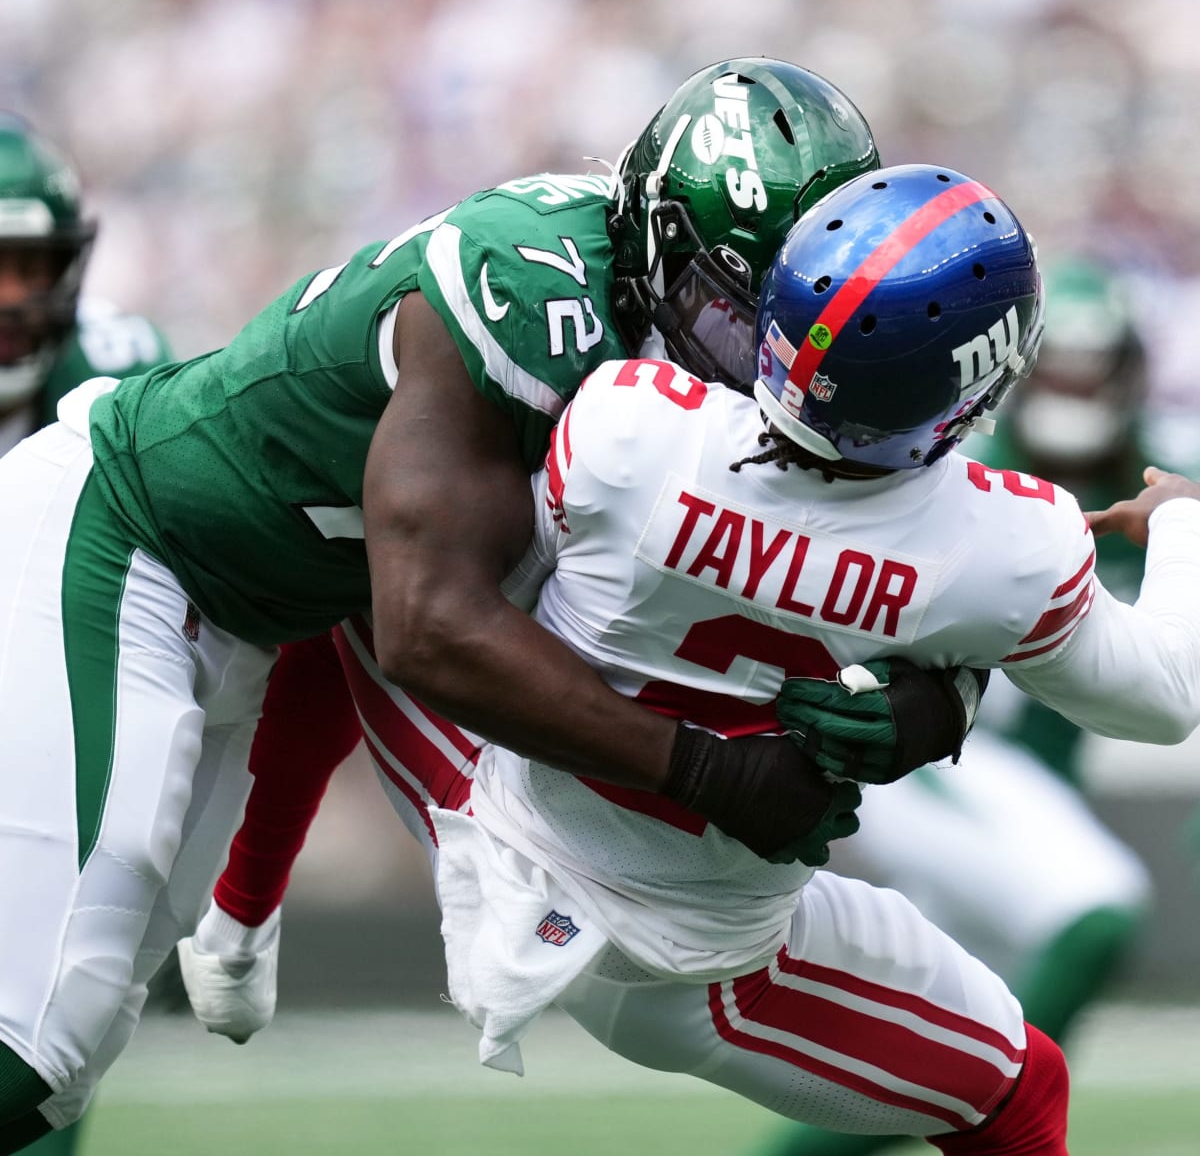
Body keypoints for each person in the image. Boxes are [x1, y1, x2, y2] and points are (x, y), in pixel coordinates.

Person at [0, 59, 981, 1152]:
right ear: (655, 244)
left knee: (64, 1063)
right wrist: (709, 772)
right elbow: (424, 628)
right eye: (730, 306)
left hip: (239, 614)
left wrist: (942, 699)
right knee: (38, 1040)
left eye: (798, 317)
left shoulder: (733, 355)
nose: (763, 354)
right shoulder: (528, 296)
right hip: (125, 537)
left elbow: (927, 555)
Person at [185, 164, 1200, 1154]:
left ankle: (239, 915)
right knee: (1022, 1091)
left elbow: (488, 598)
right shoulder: (1004, 547)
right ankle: (238, 922)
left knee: (376, 567)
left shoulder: (628, 421)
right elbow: (1164, 698)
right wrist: (1179, 522)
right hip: (700, 960)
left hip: (496, 808)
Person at [748, 254, 1160, 1156]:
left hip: (1018, 790)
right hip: (931, 756)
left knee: (953, 1060)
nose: (1076, 390)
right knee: (1095, 909)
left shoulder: (1160, 481)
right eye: (1059, 369)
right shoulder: (958, 479)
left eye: (1093, 369)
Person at [0, 112, 175, 1156]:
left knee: (38, 1025)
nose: (11, 300)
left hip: (37, 728)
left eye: (28, 267)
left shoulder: (116, 372)